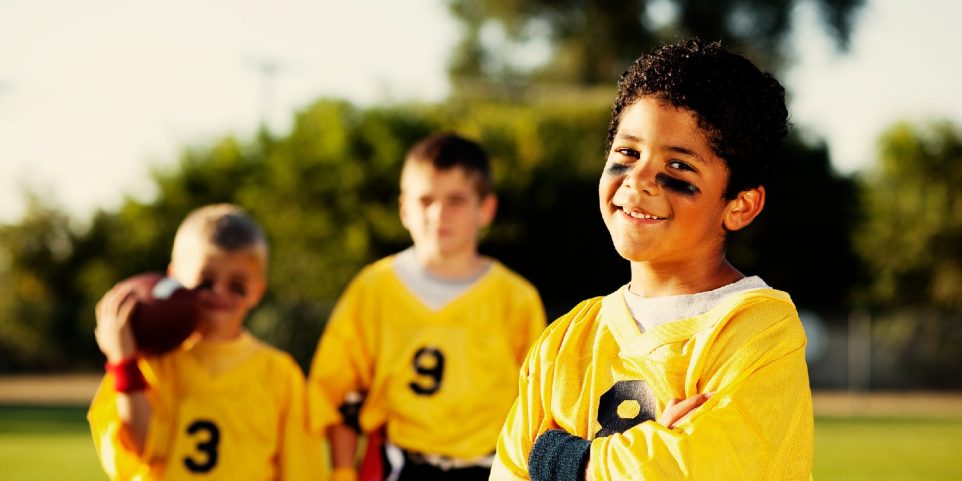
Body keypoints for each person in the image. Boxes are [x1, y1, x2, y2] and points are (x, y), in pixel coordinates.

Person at [490, 39, 814, 481]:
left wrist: (561, 459)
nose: (639, 180)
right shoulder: (564, 341)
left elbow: (690, 470)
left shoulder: (758, 331)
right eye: (627, 153)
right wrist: (648, 450)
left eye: (678, 166)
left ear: (740, 205)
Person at [307, 133, 547, 481]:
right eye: (425, 200)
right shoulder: (373, 288)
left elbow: (537, 408)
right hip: (399, 464)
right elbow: (341, 396)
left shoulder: (516, 298)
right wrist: (343, 472)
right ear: (404, 209)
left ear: (486, 209)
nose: (438, 213)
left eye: (456, 200)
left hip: (490, 467)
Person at [87, 204, 325, 481]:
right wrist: (123, 361)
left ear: (258, 291)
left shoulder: (279, 374)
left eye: (237, 286)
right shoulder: (154, 361)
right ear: (175, 278)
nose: (219, 294)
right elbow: (141, 446)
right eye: (205, 282)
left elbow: (302, 470)